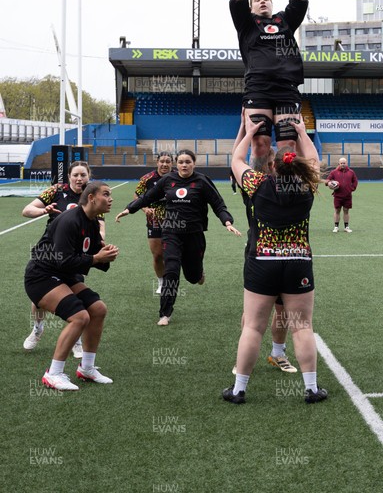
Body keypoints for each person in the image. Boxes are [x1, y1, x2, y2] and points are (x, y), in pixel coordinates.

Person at [222, 115, 327, 404]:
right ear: (299, 166)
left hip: (262, 262)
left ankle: (239, 389)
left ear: (272, 166)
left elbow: (236, 159)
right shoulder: (308, 186)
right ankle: (311, 389)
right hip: (297, 262)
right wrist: (303, 134)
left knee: (253, 327)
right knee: (302, 327)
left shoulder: (257, 183)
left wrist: (250, 130)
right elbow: (315, 160)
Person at [116, 149, 241, 325]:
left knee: (192, 276)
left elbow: (218, 204)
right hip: (171, 232)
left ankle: (198, 273)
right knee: (171, 271)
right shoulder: (168, 180)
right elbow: (147, 197)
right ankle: (165, 313)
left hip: (194, 234)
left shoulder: (202, 181)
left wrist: (227, 222)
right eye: (181, 162)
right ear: (177, 164)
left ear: (194, 164)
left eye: (187, 162)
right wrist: (130, 209)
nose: (184, 165)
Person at [24, 181, 118, 391]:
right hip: (41, 276)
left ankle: (87, 368)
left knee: (98, 310)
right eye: (106, 194)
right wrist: (96, 258)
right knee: (80, 316)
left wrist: (105, 255)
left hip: (63, 274)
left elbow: (89, 255)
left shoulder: (92, 222)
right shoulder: (69, 220)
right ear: (91, 197)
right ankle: (53, 374)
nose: (111, 199)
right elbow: (64, 261)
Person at [231, 111, 297, 375]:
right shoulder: (253, 184)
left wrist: (245, 130)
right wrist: (243, 130)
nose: (268, 158)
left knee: (282, 309)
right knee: (253, 312)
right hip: (259, 250)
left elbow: (238, 156)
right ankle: (242, 360)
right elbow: (240, 156)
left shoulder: (293, 187)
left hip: (290, 254)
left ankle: (278, 353)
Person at [230, 0, 308, 159]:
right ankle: (260, 190)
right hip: (258, 89)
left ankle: (285, 191)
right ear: (250, 7)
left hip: (286, 89)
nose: (262, 1)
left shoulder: (284, 21)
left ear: (272, 4)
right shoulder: (246, 23)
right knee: (261, 145)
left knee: (288, 147)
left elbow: (299, 0)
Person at [22, 161, 105, 357]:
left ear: (88, 176)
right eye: (75, 175)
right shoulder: (56, 191)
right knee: (39, 300)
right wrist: (44, 211)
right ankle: (37, 329)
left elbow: (99, 223)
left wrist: (101, 242)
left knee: (75, 298)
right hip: (52, 251)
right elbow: (27, 210)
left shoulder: (93, 196)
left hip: (75, 255)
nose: (79, 179)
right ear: (68, 177)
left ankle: (76, 341)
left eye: (83, 175)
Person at [134, 152, 173, 294]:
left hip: (176, 219)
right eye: (162, 161)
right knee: (158, 255)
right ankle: (162, 282)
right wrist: (145, 208)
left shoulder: (177, 176)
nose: (164, 164)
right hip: (154, 221)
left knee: (175, 253)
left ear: (172, 164)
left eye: (168, 161)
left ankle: (174, 280)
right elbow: (137, 195)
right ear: (157, 162)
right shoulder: (147, 179)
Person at [325, 157, 358, 233]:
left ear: (346, 164)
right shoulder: (334, 172)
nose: (343, 164)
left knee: (346, 211)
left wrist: (351, 188)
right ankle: (336, 227)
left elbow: (355, 181)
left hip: (347, 196)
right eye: (341, 163)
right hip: (337, 196)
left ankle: (346, 227)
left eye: (344, 163)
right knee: (337, 210)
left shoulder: (351, 172)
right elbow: (327, 180)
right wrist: (329, 183)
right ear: (339, 164)